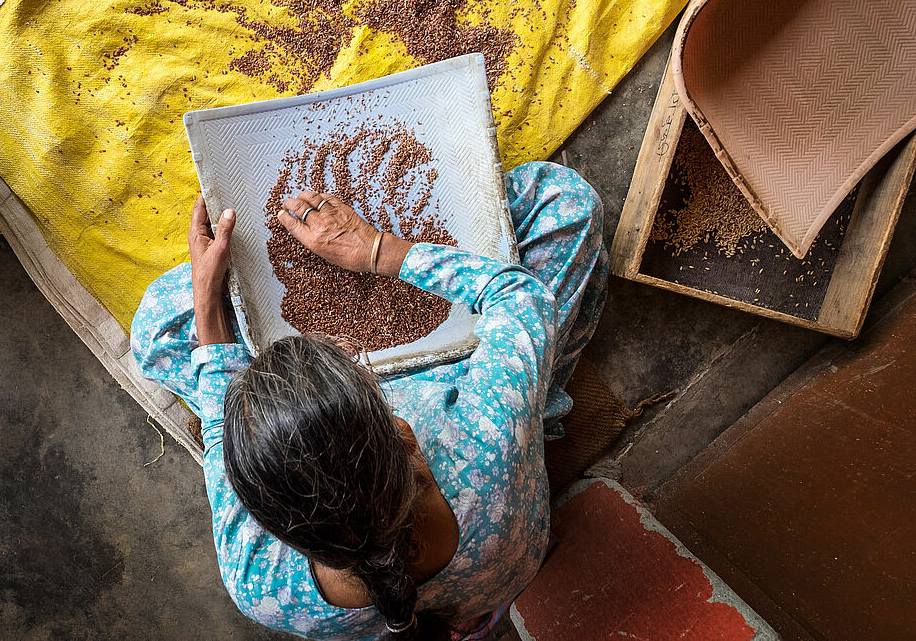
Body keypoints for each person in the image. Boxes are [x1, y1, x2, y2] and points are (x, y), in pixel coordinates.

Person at [131, 162, 607, 640]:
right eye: (357, 370)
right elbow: (518, 295)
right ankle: (535, 401)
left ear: (266, 513)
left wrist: (208, 307)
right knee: (565, 204)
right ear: (404, 430)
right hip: (469, 404)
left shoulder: (256, 582)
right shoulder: (485, 447)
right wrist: (378, 249)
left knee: (156, 332)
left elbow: (218, 429)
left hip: (466, 576)